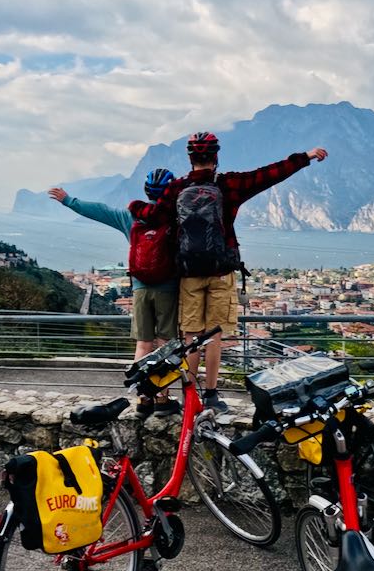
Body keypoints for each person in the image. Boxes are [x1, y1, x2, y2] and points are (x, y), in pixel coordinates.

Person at [130, 133, 327, 412]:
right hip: (221, 272)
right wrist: (305, 157)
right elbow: (269, 174)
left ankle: (190, 396)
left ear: (190, 159)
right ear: (216, 157)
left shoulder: (177, 189)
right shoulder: (229, 185)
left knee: (190, 337)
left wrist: (134, 206)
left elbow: (155, 216)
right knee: (214, 336)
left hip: (188, 274)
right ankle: (210, 394)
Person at [49, 168, 181, 416]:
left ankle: (143, 399)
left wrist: (68, 200)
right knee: (165, 344)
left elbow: (100, 211)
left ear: (146, 191)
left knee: (143, 344)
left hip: (141, 289)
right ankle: (163, 399)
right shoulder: (175, 217)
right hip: (168, 289)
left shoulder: (131, 217)